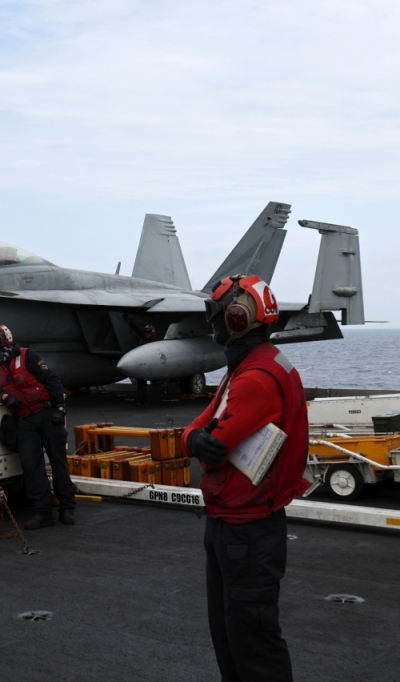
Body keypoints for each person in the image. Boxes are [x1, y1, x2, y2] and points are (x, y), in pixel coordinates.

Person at [182, 275, 307, 682]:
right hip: (239, 526)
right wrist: (194, 437)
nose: (212, 324)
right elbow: (196, 431)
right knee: (234, 640)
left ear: (236, 319)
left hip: (245, 534)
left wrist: (197, 438)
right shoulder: (259, 364)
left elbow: (213, 443)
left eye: (216, 315)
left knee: (252, 648)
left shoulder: (252, 379)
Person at [0, 324, 75, 528]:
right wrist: (4, 396)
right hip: (24, 419)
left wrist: (59, 410)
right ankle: (42, 513)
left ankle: (67, 507)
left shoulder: (26, 356)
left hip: (47, 414)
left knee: (58, 463)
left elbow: (52, 381)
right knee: (32, 467)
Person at [124, 314, 158, 405]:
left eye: (148, 332)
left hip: (150, 364)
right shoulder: (143, 338)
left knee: (146, 383)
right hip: (143, 364)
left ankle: (143, 399)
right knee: (141, 383)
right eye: (146, 332)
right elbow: (137, 330)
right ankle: (141, 399)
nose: (146, 334)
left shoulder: (154, 342)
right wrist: (129, 322)